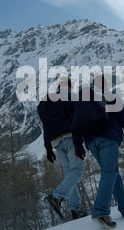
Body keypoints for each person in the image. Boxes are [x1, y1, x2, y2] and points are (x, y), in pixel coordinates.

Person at [71, 75, 124, 229]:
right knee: (109, 172)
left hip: (90, 142)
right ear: (105, 85)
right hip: (108, 138)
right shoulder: (109, 96)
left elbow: (74, 124)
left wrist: (78, 146)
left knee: (112, 172)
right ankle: (101, 211)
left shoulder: (82, 103)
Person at [37, 76, 87, 220]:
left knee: (69, 176)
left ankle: (75, 210)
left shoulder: (49, 102)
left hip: (57, 143)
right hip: (71, 139)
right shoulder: (69, 96)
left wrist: (48, 148)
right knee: (76, 172)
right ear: (69, 86)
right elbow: (79, 117)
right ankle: (55, 197)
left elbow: (46, 126)